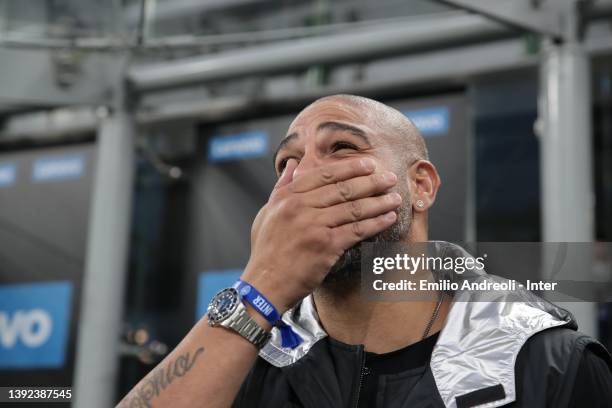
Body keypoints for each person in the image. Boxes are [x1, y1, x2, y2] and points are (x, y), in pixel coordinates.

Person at [118, 94, 612, 408]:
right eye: (286, 162)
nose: (303, 176)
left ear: (420, 186)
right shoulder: (247, 357)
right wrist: (261, 289)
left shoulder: (547, 361)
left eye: (342, 149)